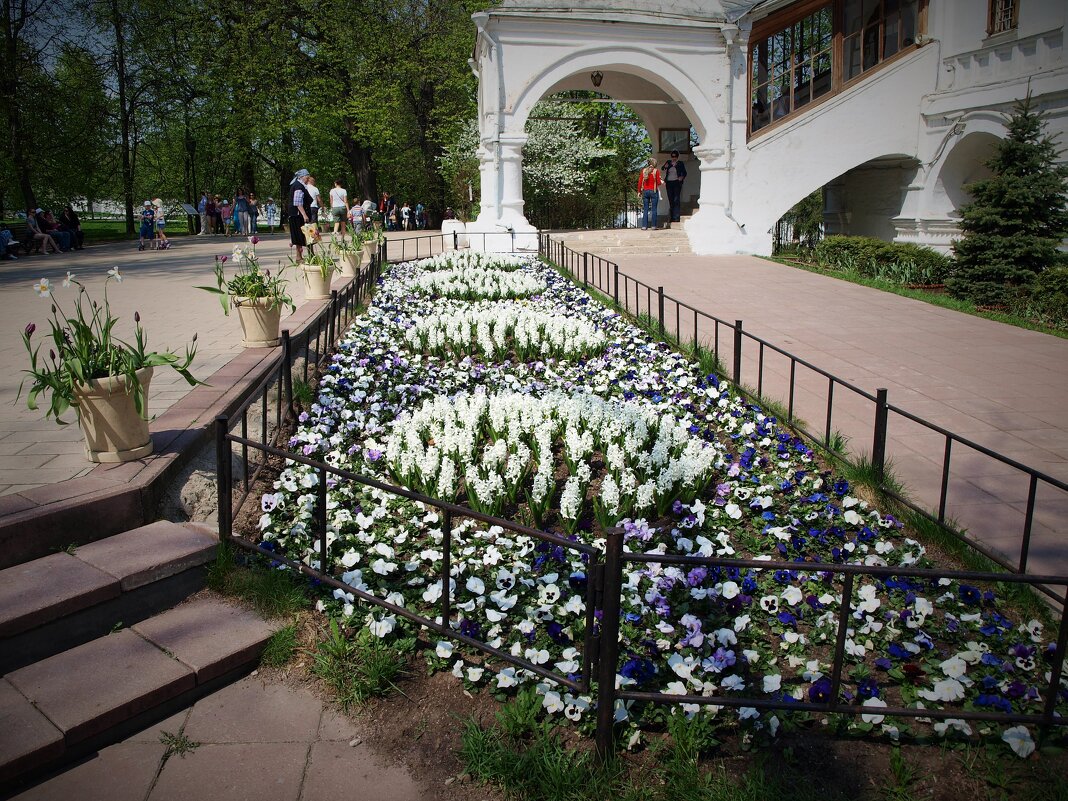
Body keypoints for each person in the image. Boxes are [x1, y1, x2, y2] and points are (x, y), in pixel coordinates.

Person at [288, 168, 313, 263]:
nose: (308, 180)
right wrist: (304, 215)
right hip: (298, 215)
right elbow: (297, 202)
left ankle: (309, 255)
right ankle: (299, 257)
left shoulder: (300, 185)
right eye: (307, 177)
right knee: (301, 235)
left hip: (297, 215)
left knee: (307, 235)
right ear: (302, 177)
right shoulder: (298, 186)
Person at [662, 150, 687, 226]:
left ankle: (676, 217)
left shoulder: (680, 163)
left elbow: (685, 172)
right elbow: (663, 168)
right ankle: (672, 217)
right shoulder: (668, 162)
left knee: (676, 199)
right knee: (671, 199)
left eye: (675, 156)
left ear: (677, 156)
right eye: (672, 156)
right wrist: (666, 166)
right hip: (669, 183)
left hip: (676, 182)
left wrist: (681, 177)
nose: (673, 158)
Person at [637, 157, 663, 231]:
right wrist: (661, 179)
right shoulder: (656, 171)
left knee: (645, 209)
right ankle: (653, 226)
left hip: (645, 191)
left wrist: (639, 191)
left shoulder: (644, 171)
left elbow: (640, 182)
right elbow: (658, 183)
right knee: (654, 209)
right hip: (653, 191)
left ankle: (644, 226)